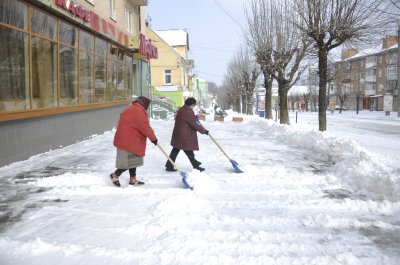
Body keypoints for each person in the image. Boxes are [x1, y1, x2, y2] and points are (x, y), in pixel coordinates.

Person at [110, 96, 158, 187]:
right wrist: (153, 139)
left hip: (128, 138)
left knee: (133, 159)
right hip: (128, 140)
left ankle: (133, 179)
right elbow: (145, 127)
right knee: (127, 162)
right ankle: (114, 175)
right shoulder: (138, 111)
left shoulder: (133, 108)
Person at [165, 97, 209, 172]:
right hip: (184, 135)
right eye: (194, 105)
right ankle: (196, 166)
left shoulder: (182, 109)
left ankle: (169, 165)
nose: (194, 107)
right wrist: (204, 131)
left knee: (175, 150)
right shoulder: (188, 111)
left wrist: (194, 117)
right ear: (191, 104)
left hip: (179, 134)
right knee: (188, 150)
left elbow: (187, 119)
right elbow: (193, 124)